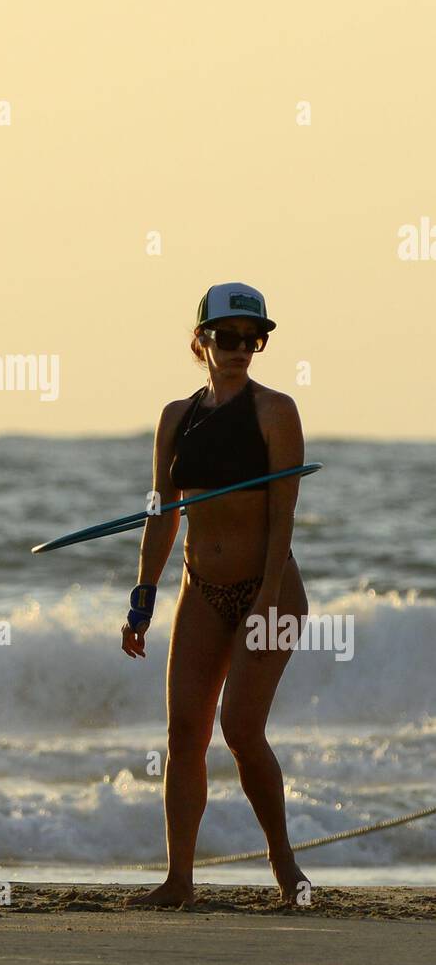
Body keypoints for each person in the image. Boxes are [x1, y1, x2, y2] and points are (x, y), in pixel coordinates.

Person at [121, 282, 310, 906]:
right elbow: (161, 513)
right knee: (184, 734)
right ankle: (180, 881)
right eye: (226, 337)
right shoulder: (176, 418)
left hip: (272, 590)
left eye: (252, 339)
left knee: (241, 729)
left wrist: (265, 598)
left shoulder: (275, 411)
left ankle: (289, 875)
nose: (240, 349)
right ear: (200, 339)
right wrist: (143, 596)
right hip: (200, 589)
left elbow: (283, 516)